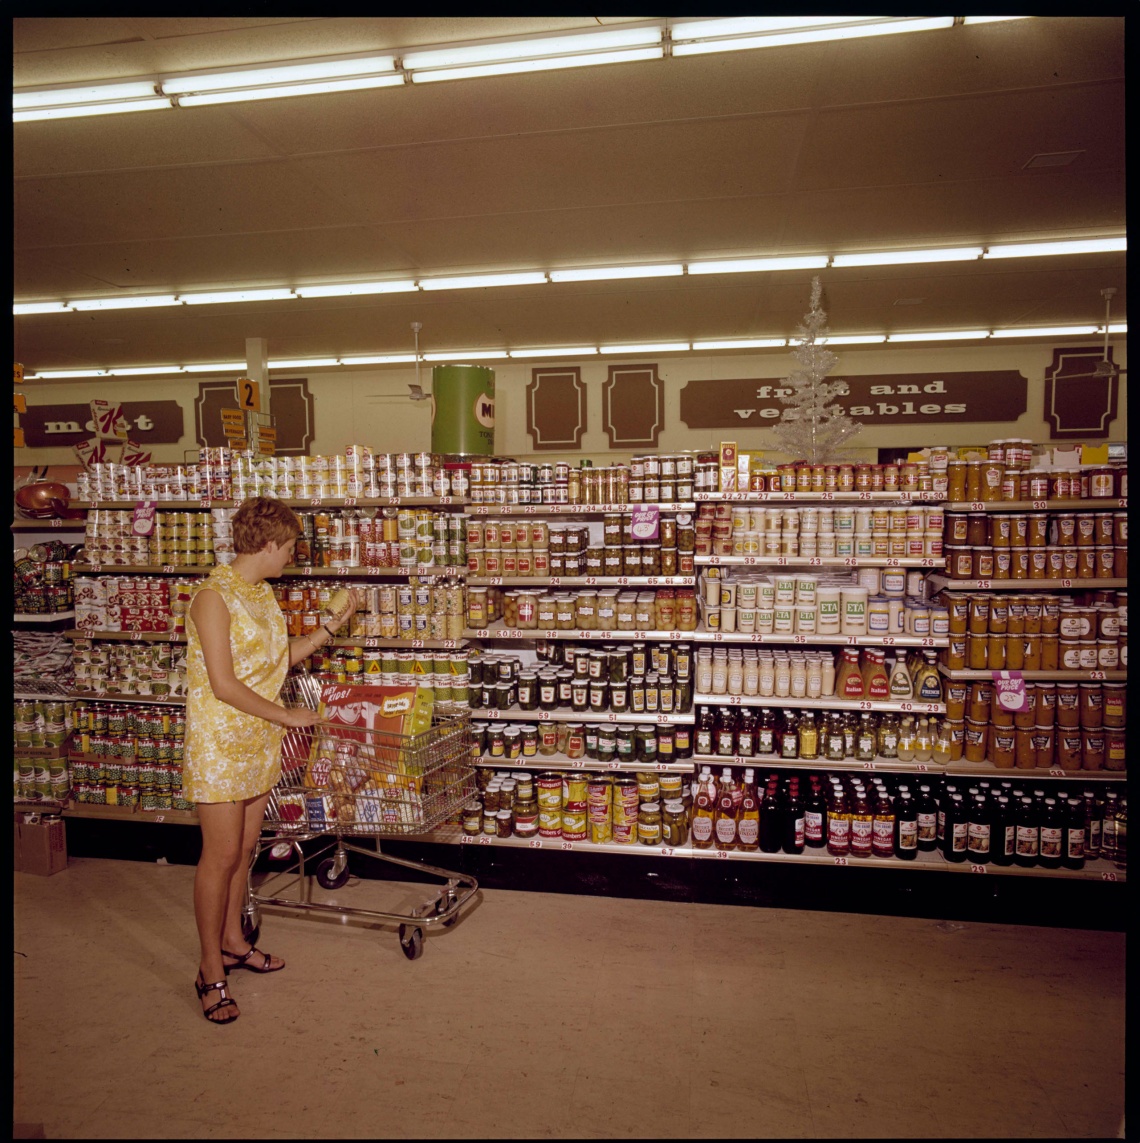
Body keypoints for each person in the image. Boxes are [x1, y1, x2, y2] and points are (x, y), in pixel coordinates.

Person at [182, 496, 358, 1024]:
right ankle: (209, 969)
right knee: (218, 856)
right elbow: (223, 683)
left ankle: (235, 940)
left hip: (258, 738)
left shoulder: (260, 595)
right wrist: (289, 718)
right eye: (289, 548)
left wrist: (330, 628)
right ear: (267, 544)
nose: (291, 558)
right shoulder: (212, 598)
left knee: (244, 850)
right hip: (219, 742)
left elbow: (278, 662)